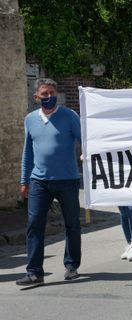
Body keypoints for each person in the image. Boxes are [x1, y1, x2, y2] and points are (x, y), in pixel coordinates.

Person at [17, 78, 82, 288]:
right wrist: (24, 180)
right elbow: (27, 153)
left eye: (52, 93)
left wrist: (88, 159)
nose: (48, 97)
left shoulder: (70, 116)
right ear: (36, 97)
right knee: (34, 225)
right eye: (44, 94)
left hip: (67, 180)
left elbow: (86, 140)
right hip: (39, 181)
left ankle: (71, 265)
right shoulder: (30, 120)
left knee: (72, 224)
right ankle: (35, 272)